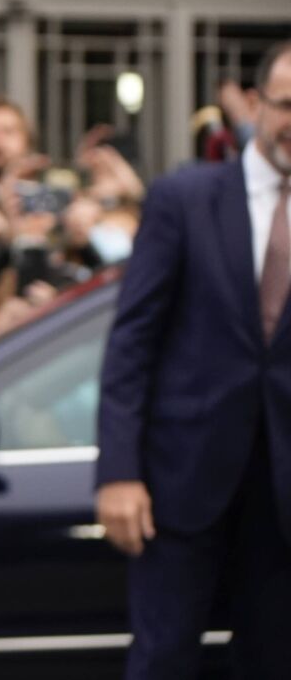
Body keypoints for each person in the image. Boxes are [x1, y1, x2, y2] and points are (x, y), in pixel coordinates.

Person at [96, 41, 291, 678]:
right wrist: (118, 472)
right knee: (163, 660)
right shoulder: (185, 196)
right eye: (288, 106)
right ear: (257, 105)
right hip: (181, 485)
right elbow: (133, 340)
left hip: (282, 495)